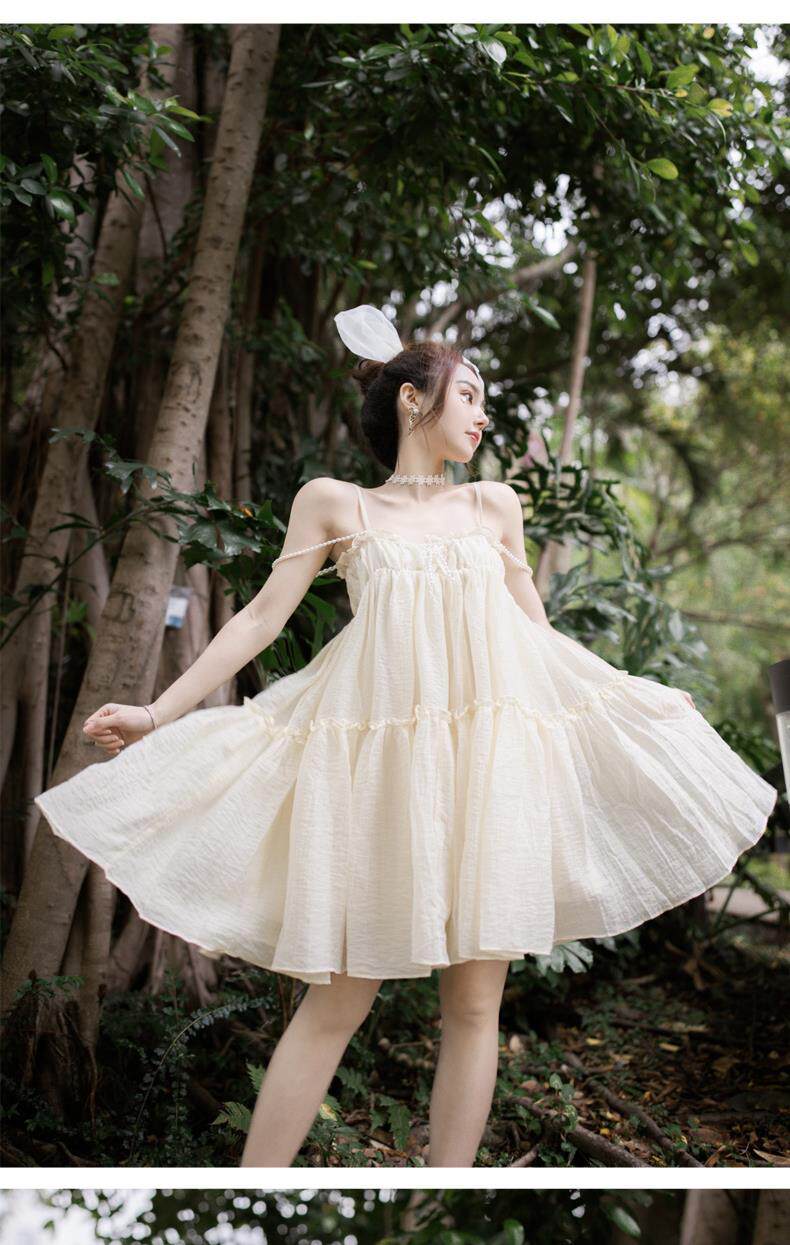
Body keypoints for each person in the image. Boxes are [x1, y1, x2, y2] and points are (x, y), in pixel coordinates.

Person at [34, 304, 777, 1167]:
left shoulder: (494, 505)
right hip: (383, 779)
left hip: (487, 776)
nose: (483, 415)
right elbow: (260, 620)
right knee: (336, 1003)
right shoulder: (336, 502)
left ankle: (443, 1193)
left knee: (475, 1007)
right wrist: (156, 713)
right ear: (412, 399)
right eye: (469, 395)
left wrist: (633, 695)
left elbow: (537, 642)